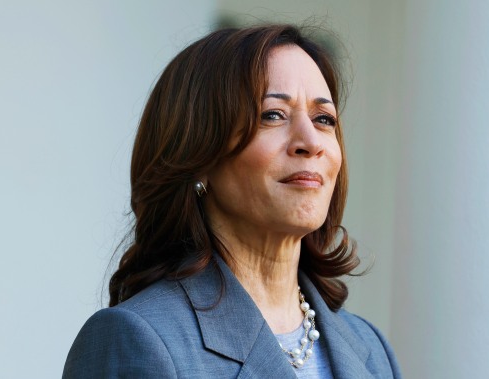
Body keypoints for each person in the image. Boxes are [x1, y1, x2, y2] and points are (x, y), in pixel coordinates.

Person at [63, 24, 401, 378]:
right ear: (199, 153)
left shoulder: (370, 349)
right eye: (273, 115)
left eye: (323, 119)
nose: (311, 142)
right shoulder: (138, 339)